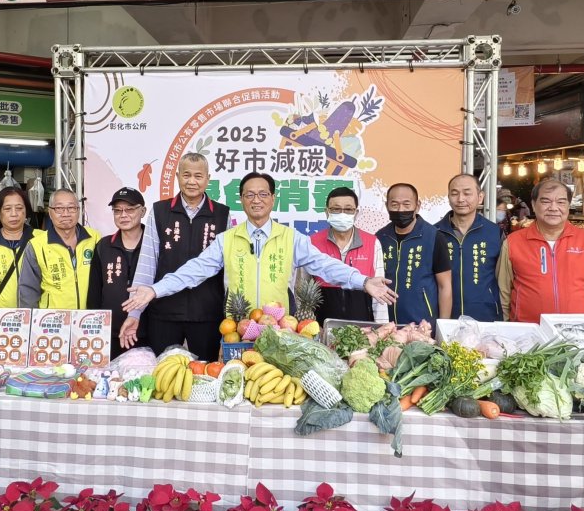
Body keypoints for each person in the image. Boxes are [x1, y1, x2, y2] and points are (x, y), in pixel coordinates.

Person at [122, 172, 397, 328]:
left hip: (280, 330)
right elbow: (193, 271)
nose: (257, 200)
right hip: (236, 330)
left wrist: (363, 281)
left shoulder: (291, 238)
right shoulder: (227, 239)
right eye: (250, 194)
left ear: (273, 198)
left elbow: (326, 265)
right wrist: (155, 290)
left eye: (263, 194)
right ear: (241, 200)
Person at [126, 152, 230, 359]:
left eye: (198, 176)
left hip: (206, 313)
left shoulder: (222, 214)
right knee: (163, 372)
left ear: (208, 179)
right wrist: (134, 312)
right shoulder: (160, 211)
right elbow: (147, 262)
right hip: (164, 312)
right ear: (177, 176)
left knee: (205, 372)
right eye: (186, 175)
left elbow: (228, 270)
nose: (192, 181)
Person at [497, 177, 584, 323]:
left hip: (579, 331)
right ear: (533, 205)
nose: (553, 208)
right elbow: (503, 293)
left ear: (568, 205)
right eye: (546, 201)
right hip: (528, 331)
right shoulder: (513, 243)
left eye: (561, 202)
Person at [306, 186, 387, 324]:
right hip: (321, 327)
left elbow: (380, 293)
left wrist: (381, 328)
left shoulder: (372, 243)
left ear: (356, 213)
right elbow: (302, 293)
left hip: (363, 329)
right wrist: (307, 327)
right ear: (327, 212)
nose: (342, 214)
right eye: (336, 209)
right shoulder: (312, 243)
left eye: (348, 209)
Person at [376, 182, 453, 325]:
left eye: (406, 205)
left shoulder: (434, 237)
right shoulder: (380, 237)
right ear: (387, 206)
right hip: (386, 324)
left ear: (417, 206)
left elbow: (445, 286)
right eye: (394, 205)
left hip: (423, 325)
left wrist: (443, 326)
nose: (400, 210)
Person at [435, 174, 502, 322]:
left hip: (486, 316)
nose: (460, 199)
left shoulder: (495, 233)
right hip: (445, 316)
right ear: (448, 197)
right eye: (454, 193)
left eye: (467, 193)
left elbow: (503, 278)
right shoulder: (434, 233)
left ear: (480, 197)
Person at [18, 189, 101, 309]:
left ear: (79, 210)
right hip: (52, 318)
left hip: (89, 317)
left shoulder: (95, 238)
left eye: (71, 208)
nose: (66, 213)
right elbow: (28, 290)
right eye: (59, 208)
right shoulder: (37, 245)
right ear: (50, 212)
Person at [89, 187, 147, 359]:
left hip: (148, 331)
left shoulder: (154, 244)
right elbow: (94, 292)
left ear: (143, 211)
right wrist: (94, 328)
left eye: (130, 209)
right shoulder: (104, 246)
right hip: (110, 333)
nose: (123, 215)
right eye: (117, 210)